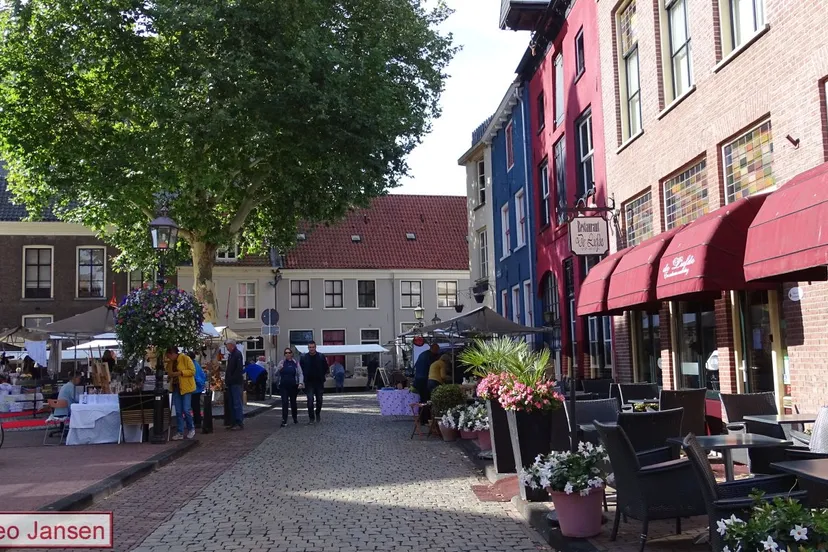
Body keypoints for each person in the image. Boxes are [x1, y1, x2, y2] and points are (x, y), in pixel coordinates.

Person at [164, 347, 196, 440]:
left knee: (186, 409)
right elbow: (169, 372)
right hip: (176, 388)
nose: (168, 358)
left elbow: (192, 371)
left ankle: (191, 428)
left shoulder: (185, 358)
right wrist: (170, 376)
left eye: (169, 356)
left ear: (173, 354)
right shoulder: (170, 362)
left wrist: (180, 373)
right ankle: (180, 432)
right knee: (178, 411)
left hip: (186, 387)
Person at [299, 341, 328, 424]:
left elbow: (326, 367)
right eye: (310, 347)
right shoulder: (304, 357)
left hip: (319, 381)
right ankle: (311, 418)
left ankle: (317, 412)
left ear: (315, 347)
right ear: (308, 348)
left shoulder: (321, 356)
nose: (311, 349)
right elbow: (301, 368)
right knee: (310, 400)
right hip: (309, 382)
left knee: (319, 400)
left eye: (313, 347)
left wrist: (322, 374)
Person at [275, 348, 303, 427]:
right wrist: (279, 369)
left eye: (289, 352)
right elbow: (276, 374)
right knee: (284, 402)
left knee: (293, 402)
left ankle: (295, 418)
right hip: (283, 386)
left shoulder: (295, 363)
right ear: (284, 354)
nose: (287, 354)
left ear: (292, 354)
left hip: (293, 385)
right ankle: (284, 420)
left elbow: (300, 373)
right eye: (286, 353)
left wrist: (300, 382)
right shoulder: (282, 362)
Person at [224, 339, 245, 430]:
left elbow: (238, 369)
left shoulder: (237, 354)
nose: (226, 347)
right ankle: (233, 422)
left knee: (237, 402)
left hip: (236, 382)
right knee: (232, 403)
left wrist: (231, 378)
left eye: (227, 345)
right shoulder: (231, 355)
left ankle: (238, 422)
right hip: (231, 382)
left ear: (231, 345)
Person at [188, 352, 207, 429]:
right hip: (197, 388)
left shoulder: (192, 365)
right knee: (196, 406)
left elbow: (195, 376)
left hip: (195, 388)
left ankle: (197, 421)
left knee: (194, 406)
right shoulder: (196, 364)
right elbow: (202, 375)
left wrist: (198, 383)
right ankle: (197, 421)